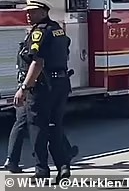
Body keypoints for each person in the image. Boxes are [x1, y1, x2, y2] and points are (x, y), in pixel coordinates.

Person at [13, 0, 72, 181]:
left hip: (42, 88)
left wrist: (24, 88)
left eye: (32, 12)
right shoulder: (58, 30)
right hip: (61, 84)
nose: (28, 15)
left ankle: (41, 170)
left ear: (43, 12)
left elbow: (37, 63)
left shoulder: (40, 32)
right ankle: (63, 166)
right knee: (55, 127)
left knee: (38, 128)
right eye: (27, 12)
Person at [3, 36, 79, 173]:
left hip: (26, 85)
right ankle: (51, 163)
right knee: (47, 123)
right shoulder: (42, 47)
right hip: (35, 88)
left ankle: (12, 159)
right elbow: (38, 66)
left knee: (24, 122)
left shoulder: (25, 47)